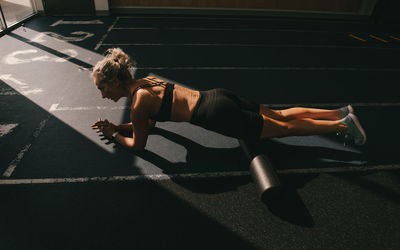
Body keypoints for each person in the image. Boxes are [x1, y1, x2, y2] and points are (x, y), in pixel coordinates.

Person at [91, 48, 366, 152]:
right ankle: (337, 113)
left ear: (115, 82)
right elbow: (147, 124)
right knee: (281, 116)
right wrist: (123, 127)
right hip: (217, 95)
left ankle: (342, 126)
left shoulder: (138, 103)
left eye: (103, 88)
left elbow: (139, 143)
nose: (103, 94)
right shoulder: (145, 83)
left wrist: (115, 133)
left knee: (285, 130)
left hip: (215, 115)